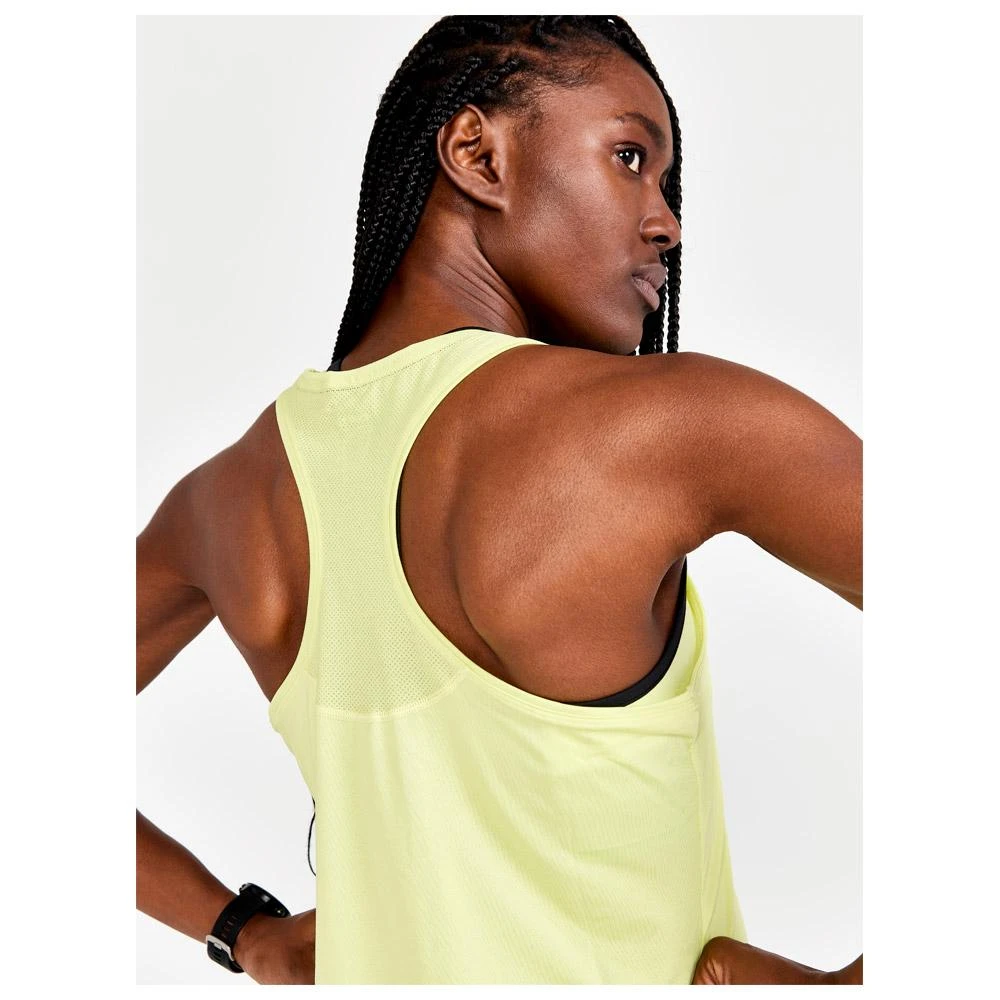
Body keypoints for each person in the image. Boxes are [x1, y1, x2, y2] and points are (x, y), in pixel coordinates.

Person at [137, 15, 861, 985]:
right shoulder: (670, 424)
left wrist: (239, 930)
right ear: (478, 154)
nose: (667, 223)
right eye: (631, 157)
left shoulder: (229, 497)